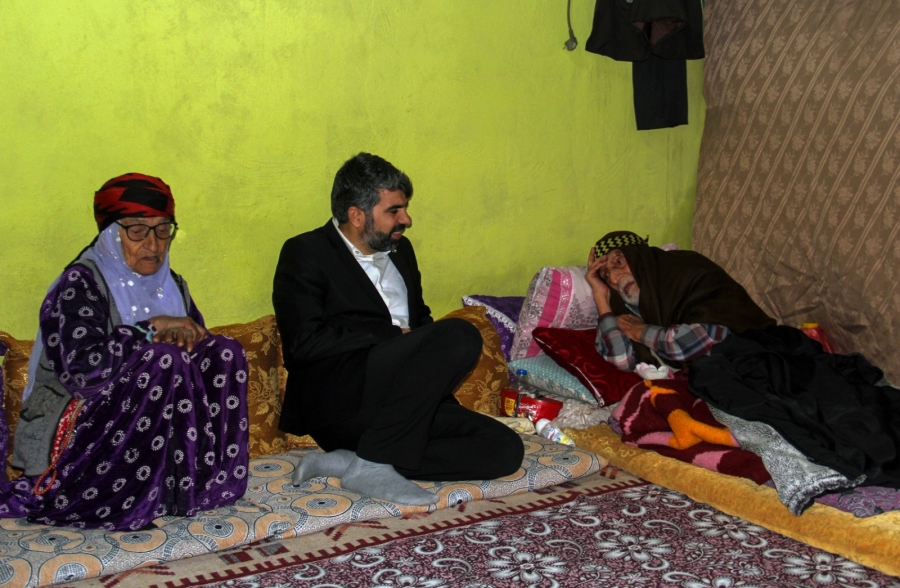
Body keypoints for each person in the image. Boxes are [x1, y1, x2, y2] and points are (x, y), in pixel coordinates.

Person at [272, 153, 524, 506]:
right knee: (460, 333)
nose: (406, 219)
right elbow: (303, 344)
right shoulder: (306, 252)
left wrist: (430, 377)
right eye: (394, 210)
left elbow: (421, 325)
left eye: (404, 208)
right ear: (357, 215)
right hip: (343, 403)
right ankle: (373, 460)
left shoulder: (401, 252)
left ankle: (360, 461)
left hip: (402, 409)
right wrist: (392, 335)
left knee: (504, 450)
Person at [3, 173, 249, 531]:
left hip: (154, 422)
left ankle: (194, 485)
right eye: (137, 230)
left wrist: (189, 339)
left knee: (224, 351)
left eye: (163, 230)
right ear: (111, 235)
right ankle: (126, 496)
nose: (153, 244)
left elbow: (196, 364)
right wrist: (150, 328)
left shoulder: (172, 284)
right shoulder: (80, 284)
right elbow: (82, 374)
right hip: (80, 429)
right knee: (163, 359)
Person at [584, 230, 776, 371]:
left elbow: (709, 340)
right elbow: (621, 359)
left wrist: (639, 331)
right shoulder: (626, 309)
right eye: (606, 276)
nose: (614, 278)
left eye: (619, 262)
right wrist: (601, 297)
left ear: (639, 257)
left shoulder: (687, 269)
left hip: (762, 359)